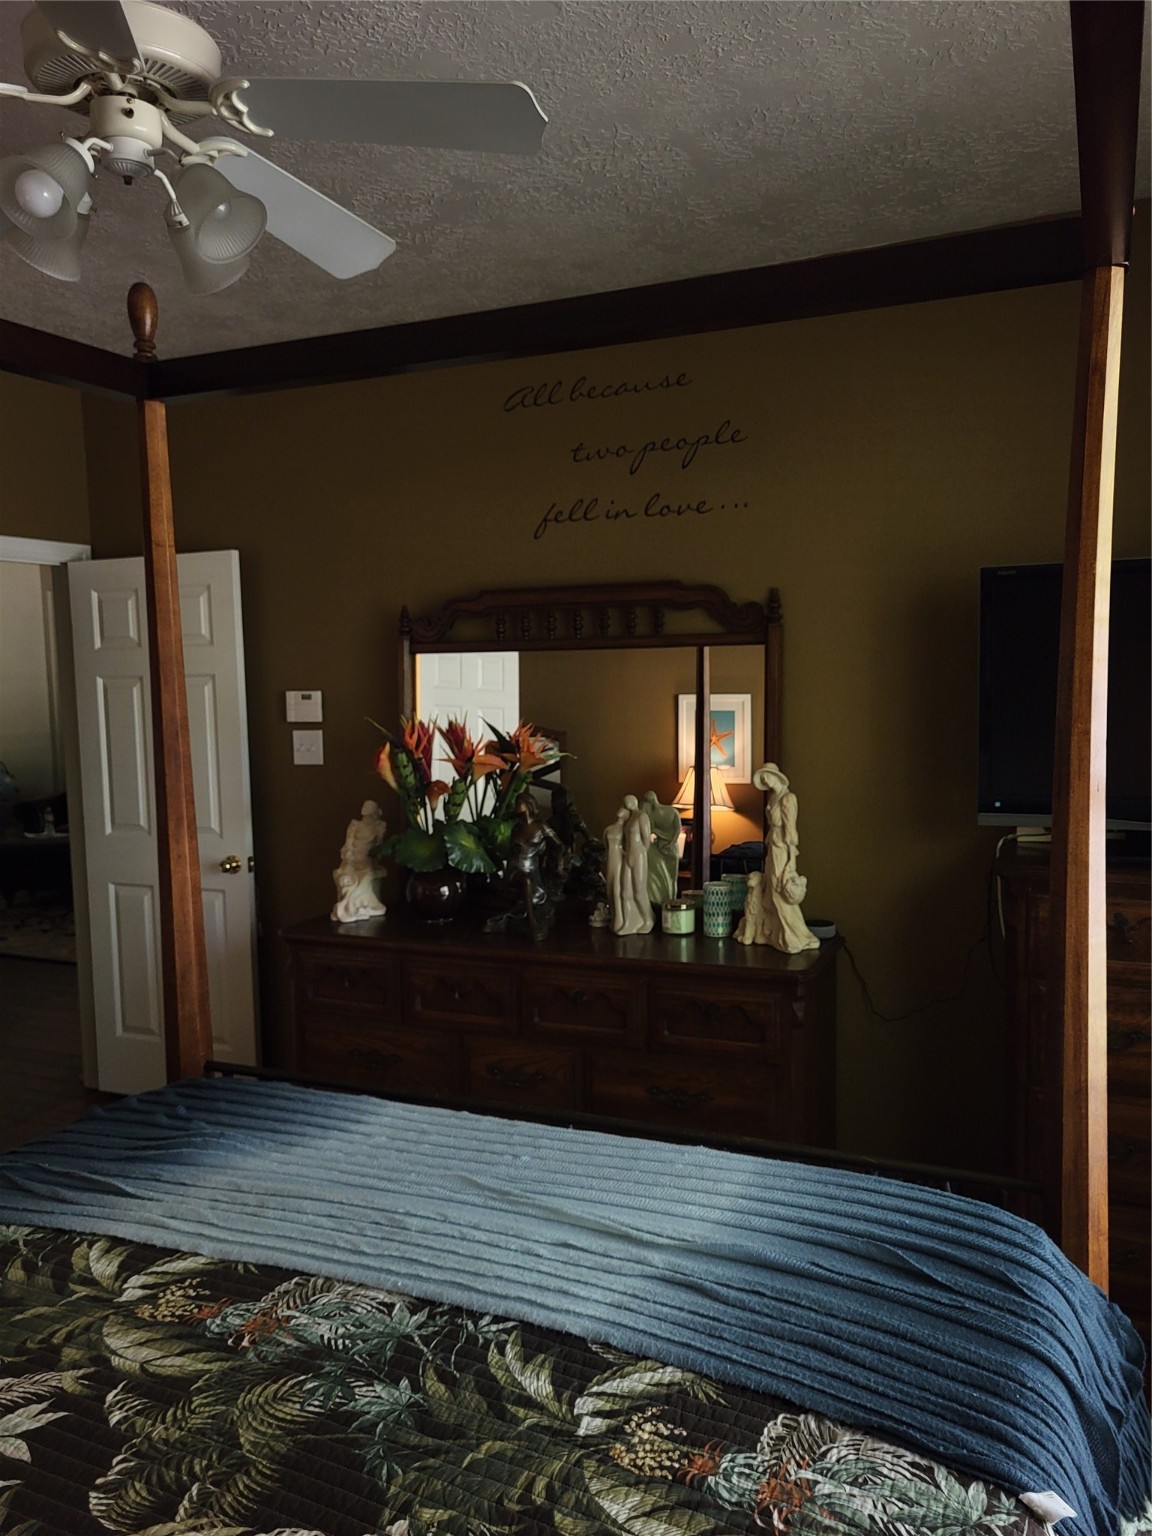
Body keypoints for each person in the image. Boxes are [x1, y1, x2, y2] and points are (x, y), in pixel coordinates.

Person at [750, 763, 818, 952]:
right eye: (762, 778)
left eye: (767, 776)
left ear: (776, 777)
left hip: (782, 849)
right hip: (773, 846)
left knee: (778, 891)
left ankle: (796, 935)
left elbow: (790, 831)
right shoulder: (774, 797)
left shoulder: (788, 798)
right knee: (771, 891)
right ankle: (777, 932)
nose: (764, 780)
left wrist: (791, 861)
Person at [487, 792, 566, 941]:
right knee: (525, 882)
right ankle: (532, 922)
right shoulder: (516, 828)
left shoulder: (540, 827)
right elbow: (510, 852)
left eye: (519, 803)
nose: (517, 806)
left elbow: (559, 845)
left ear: (529, 805)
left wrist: (558, 861)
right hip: (515, 870)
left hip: (532, 870)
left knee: (533, 892)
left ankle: (510, 917)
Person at [331, 801, 387, 922]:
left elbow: (378, 847)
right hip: (351, 859)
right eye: (366, 815)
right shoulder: (355, 826)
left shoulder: (379, 827)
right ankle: (348, 906)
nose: (367, 818)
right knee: (346, 877)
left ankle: (355, 905)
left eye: (370, 815)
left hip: (367, 861)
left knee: (365, 878)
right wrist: (348, 854)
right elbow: (348, 843)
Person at [617, 793, 654, 935]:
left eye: (629, 801)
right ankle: (627, 923)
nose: (627, 804)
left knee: (639, 891)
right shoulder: (629, 818)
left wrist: (640, 852)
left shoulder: (641, 817)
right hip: (628, 856)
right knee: (625, 891)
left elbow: (646, 840)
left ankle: (648, 919)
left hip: (638, 855)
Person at [643, 789, 681, 908]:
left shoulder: (668, 811)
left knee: (671, 876)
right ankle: (665, 899)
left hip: (666, 846)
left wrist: (669, 841)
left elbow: (676, 829)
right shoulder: (669, 811)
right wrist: (671, 841)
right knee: (667, 874)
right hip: (665, 846)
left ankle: (671, 900)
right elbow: (677, 828)